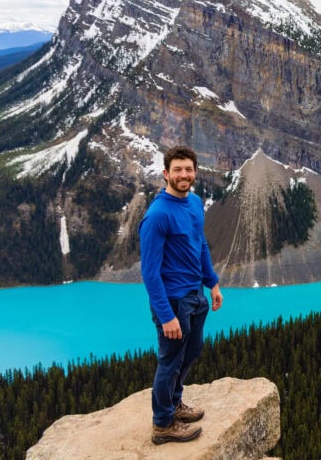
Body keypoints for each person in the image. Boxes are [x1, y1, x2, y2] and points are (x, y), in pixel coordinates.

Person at [139, 145, 223, 445]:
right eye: (177, 170)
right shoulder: (158, 215)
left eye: (188, 169)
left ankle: (174, 404)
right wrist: (166, 316)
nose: (183, 175)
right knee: (170, 361)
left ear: (195, 173)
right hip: (173, 301)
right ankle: (162, 424)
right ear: (166, 174)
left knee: (192, 352)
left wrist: (212, 283)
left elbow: (200, 245)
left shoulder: (195, 203)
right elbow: (149, 273)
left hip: (195, 295)